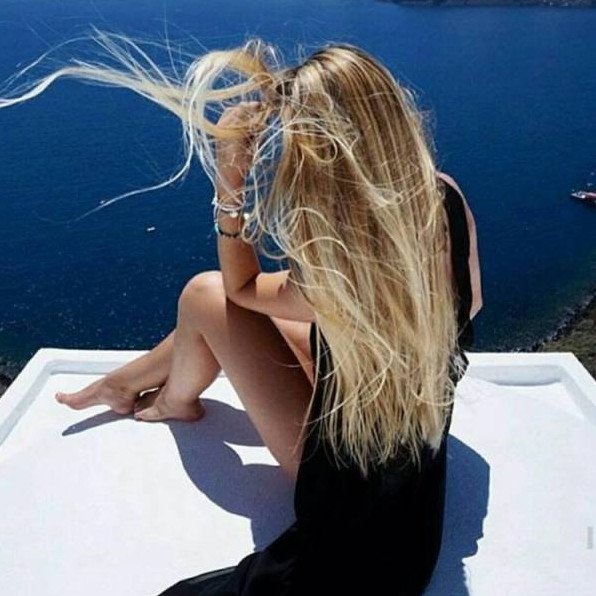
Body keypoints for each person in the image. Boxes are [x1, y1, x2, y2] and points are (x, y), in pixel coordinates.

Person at [0, 33, 483, 594]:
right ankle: (130, 382)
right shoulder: (443, 198)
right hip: (415, 466)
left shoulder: (340, 266)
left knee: (205, 295)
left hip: (346, 481)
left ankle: (171, 401)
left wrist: (230, 185)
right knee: (266, 315)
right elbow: (469, 307)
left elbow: (242, 286)